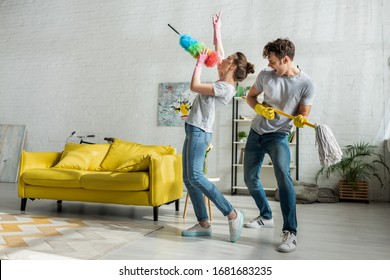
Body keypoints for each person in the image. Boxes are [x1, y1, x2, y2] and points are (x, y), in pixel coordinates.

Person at [181, 12, 255, 242]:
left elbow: (195, 86)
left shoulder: (225, 88)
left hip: (200, 132)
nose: (221, 58)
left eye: (228, 59)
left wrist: (199, 63)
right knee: (188, 178)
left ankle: (232, 213)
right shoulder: (224, 79)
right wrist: (217, 29)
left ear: (232, 68)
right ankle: (204, 223)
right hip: (194, 129)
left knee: (195, 174)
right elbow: (219, 49)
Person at [243, 38, 315, 252]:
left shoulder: (306, 83)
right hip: (256, 132)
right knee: (249, 179)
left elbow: (304, 113)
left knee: (284, 179)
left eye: (273, 61)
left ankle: (290, 232)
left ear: (285, 59)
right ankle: (266, 215)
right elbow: (251, 97)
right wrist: (259, 109)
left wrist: (300, 119)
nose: (269, 65)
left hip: (279, 135)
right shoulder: (266, 75)